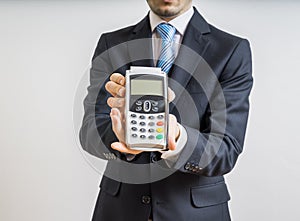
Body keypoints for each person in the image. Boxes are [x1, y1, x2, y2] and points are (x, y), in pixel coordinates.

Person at [79, 0, 253, 220]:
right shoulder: (111, 44)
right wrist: (121, 135)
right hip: (121, 210)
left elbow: (226, 149)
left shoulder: (231, 50)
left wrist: (179, 138)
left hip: (195, 213)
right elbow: (89, 131)